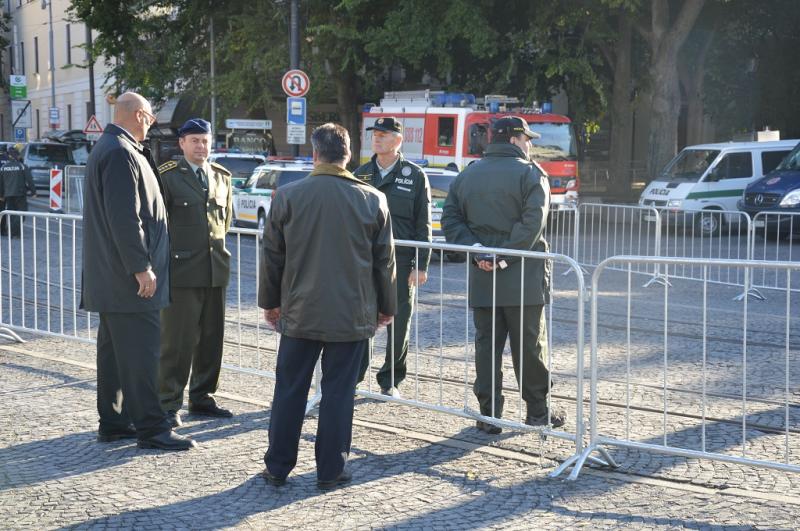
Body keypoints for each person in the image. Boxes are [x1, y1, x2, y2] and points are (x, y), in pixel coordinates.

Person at [259, 123, 396, 490]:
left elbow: (272, 256)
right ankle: (331, 469)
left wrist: (270, 303)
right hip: (351, 315)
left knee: (290, 389)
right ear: (348, 156)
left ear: (315, 154)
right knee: (338, 393)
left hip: (299, 311)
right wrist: (387, 306)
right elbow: (384, 262)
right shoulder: (372, 199)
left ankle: (278, 466)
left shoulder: (287, 196)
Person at [81, 91, 196, 451]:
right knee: (143, 356)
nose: (152, 123)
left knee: (115, 355)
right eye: (150, 117)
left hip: (114, 279)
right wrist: (141, 267)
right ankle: (152, 429)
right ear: (139, 115)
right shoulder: (120, 152)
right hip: (128, 281)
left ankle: (115, 422)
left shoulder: (113, 147)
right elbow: (125, 219)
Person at [441, 116, 564, 434]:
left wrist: (478, 251)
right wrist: (504, 257)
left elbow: (450, 218)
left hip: (483, 277)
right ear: (514, 140)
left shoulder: (468, 174)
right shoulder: (531, 174)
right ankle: (537, 412)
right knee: (530, 347)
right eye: (527, 139)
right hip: (524, 277)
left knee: (487, 347)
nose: (530, 145)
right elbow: (532, 224)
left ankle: (489, 414)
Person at [157, 118, 234, 428]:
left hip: (215, 269)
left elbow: (224, 223)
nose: (201, 146)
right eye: (195, 141)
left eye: (205, 141)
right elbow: (159, 226)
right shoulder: (168, 176)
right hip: (182, 271)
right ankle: (168, 402)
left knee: (212, 339)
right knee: (177, 341)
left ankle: (202, 396)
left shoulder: (222, 176)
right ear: (182, 144)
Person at [354, 117, 431, 398]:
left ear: (398, 140)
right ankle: (354, 376)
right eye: (375, 134)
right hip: (366, 261)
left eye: (383, 134)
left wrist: (421, 264)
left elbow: (423, 223)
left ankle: (390, 381)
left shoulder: (415, 175)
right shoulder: (361, 174)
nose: (377, 138)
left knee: (399, 322)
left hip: (401, 261)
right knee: (362, 320)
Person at [0, 146, 36, 237]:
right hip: (20, 193)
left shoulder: (3, 167)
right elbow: (29, 180)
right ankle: (15, 232)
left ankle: (12, 232)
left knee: (12, 213)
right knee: (22, 212)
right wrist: (33, 192)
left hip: (8, 194)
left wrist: (1, 195)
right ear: (17, 155)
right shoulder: (22, 166)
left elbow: (1, 183)